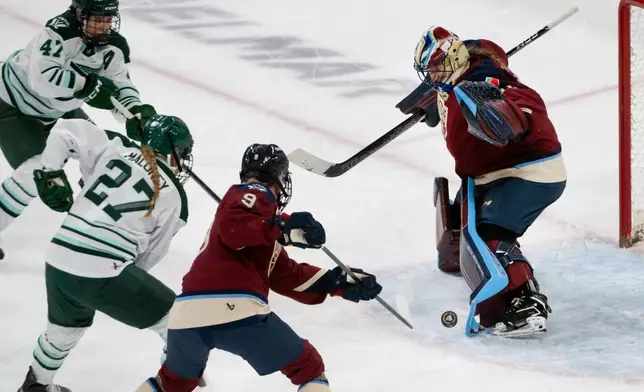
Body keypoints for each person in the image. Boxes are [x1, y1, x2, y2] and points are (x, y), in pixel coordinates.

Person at [136, 143, 383, 392]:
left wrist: (336, 281)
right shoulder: (254, 193)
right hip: (235, 310)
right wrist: (286, 229)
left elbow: (289, 276)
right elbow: (236, 231)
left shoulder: (263, 233)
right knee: (308, 368)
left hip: (185, 314)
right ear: (280, 177)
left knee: (172, 383)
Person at [17, 114, 193, 392]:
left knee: (63, 331)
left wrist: (50, 172)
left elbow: (65, 129)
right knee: (181, 322)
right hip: (101, 269)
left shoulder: (117, 147)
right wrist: (120, 288)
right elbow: (147, 257)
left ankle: (36, 385)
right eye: (183, 153)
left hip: (59, 255)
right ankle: (169, 386)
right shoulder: (176, 197)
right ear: (174, 153)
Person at [411, 26, 566, 336]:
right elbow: (487, 47)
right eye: (429, 71)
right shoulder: (470, 67)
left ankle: (524, 302)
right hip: (500, 171)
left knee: (488, 231)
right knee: (461, 215)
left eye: (438, 68)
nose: (434, 76)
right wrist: (436, 99)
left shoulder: (483, 85)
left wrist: (513, 121)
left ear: (455, 59)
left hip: (529, 172)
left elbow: (522, 107)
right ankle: (468, 260)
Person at [0, 0, 159, 254]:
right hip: (13, 105)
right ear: (79, 14)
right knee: (37, 170)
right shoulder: (58, 32)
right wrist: (87, 85)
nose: (103, 25)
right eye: (97, 18)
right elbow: (41, 79)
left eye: (108, 18)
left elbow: (120, 85)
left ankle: (103, 231)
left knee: (106, 153)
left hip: (59, 111)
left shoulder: (114, 47)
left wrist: (135, 112)